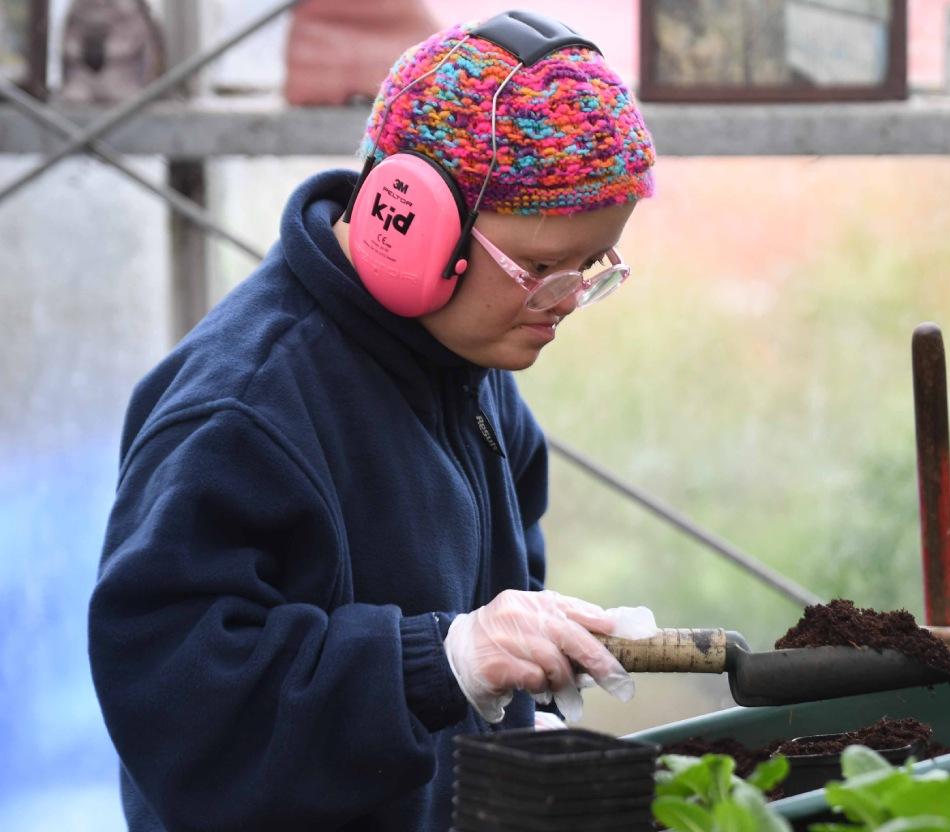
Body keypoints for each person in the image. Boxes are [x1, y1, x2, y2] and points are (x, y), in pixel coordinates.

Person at [87, 11, 658, 831]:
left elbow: (507, 587)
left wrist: (517, 647)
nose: (565, 305)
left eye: (591, 269)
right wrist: (439, 660)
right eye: (539, 268)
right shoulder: (240, 412)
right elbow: (183, 718)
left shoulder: (474, 366)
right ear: (412, 220)